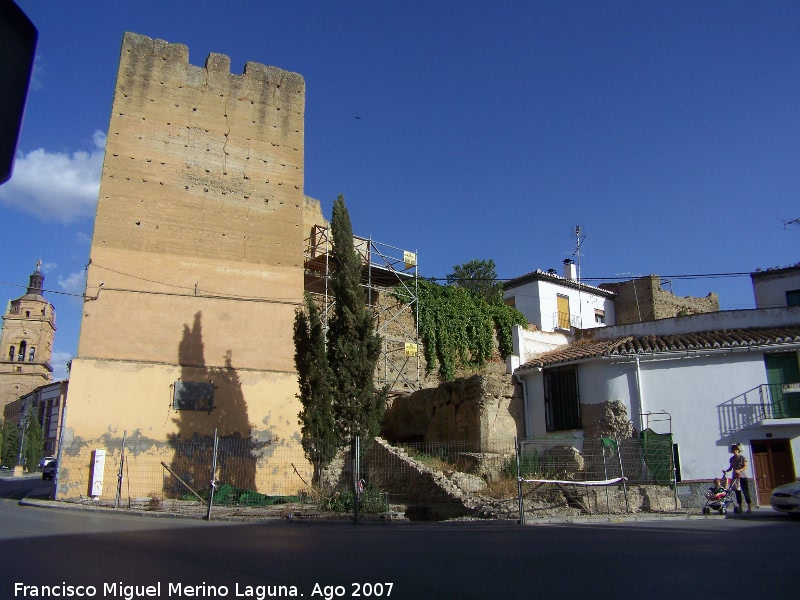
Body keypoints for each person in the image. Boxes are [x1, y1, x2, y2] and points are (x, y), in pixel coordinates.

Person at [724, 444, 752, 512]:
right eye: (733, 450)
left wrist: (739, 470)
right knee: (737, 492)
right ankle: (740, 507)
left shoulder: (743, 457)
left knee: (745, 491)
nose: (734, 451)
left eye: (735, 450)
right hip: (735, 478)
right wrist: (726, 471)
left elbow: (745, 466)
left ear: (738, 450)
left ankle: (749, 507)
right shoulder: (731, 459)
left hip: (742, 476)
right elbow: (731, 467)